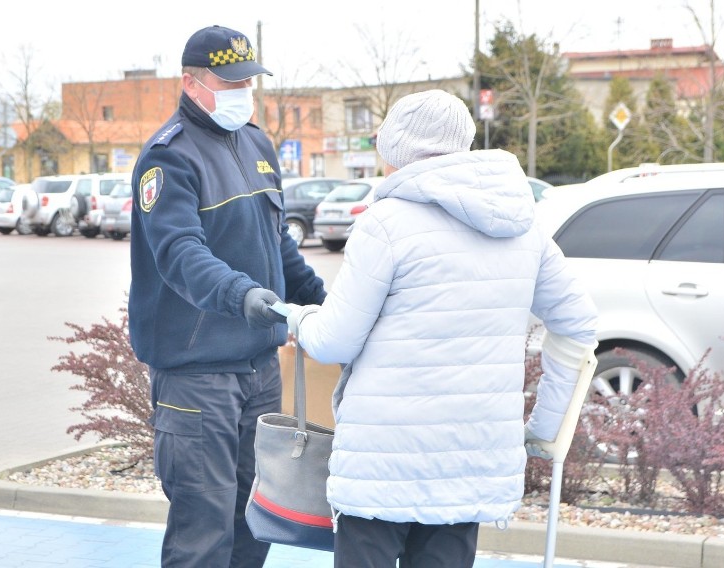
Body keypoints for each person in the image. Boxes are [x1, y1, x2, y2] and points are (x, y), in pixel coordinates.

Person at [284, 89, 598, 568]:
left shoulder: (386, 223)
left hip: (382, 466)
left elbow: (334, 341)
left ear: (397, 150)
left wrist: (298, 317)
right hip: (469, 464)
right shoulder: (522, 225)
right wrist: (545, 429)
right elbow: (577, 324)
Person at [128, 24, 327, 567]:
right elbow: (179, 254)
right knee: (203, 530)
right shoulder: (168, 159)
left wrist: (323, 300)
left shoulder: (256, 142)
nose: (244, 91)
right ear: (192, 84)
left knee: (253, 524)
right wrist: (243, 294)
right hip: (197, 374)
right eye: (230, 81)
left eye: (248, 80)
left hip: (259, 367)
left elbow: (275, 240)